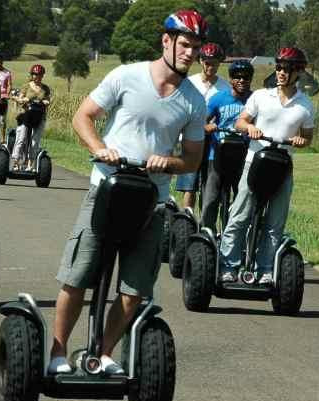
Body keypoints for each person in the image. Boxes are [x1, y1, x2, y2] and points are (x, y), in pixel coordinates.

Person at [48, 10, 208, 376]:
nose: (190, 54)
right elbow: (82, 116)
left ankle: (103, 353)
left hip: (151, 201)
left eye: (195, 48)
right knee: (78, 274)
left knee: (135, 287)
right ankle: (57, 353)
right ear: (166, 41)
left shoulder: (193, 101)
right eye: (185, 45)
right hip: (106, 188)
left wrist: (169, 162)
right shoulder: (126, 76)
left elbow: (194, 159)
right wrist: (100, 147)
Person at [218, 47, 315, 285]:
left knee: (274, 223)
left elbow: (307, 137)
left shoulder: (306, 105)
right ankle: (228, 266)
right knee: (239, 215)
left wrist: (301, 141)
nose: (281, 72)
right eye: (279, 67)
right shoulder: (261, 96)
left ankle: (265, 270)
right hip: (254, 162)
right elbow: (241, 121)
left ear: (299, 72)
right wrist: (249, 128)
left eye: (287, 69)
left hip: (282, 166)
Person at [175, 42, 231, 212]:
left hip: (214, 142)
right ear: (200, 61)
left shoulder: (225, 87)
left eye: (214, 63)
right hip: (190, 139)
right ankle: (187, 220)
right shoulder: (188, 83)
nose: (210, 67)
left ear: (219, 63)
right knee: (189, 185)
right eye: (207, 62)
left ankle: (205, 224)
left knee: (209, 186)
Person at [200, 59, 254, 236]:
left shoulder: (254, 100)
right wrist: (208, 127)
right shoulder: (219, 98)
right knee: (211, 198)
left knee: (241, 199)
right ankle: (206, 233)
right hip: (217, 156)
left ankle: (236, 235)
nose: (241, 80)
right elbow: (202, 122)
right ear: (230, 79)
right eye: (237, 77)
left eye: (245, 77)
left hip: (243, 158)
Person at [11, 64, 51, 171]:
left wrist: (45, 102)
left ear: (42, 75)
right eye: (35, 74)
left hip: (39, 117)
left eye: (39, 75)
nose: (37, 76)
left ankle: (30, 164)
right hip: (26, 116)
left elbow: (48, 100)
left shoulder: (45, 88)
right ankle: (16, 162)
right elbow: (19, 98)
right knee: (22, 138)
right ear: (32, 75)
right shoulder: (26, 86)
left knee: (35, 142)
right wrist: (23, 100)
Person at [0, 53, 13, 135]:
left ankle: (3, 139)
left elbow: (9, 85)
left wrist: (8, 93)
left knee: (2, 120)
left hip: (3, 97)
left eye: (1, 59)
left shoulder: (7, 72)